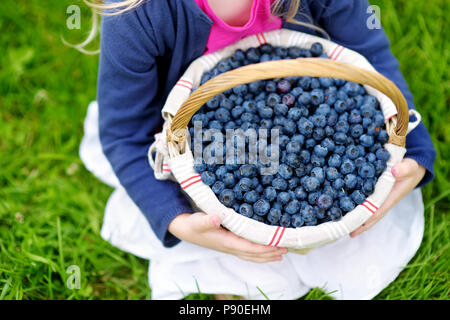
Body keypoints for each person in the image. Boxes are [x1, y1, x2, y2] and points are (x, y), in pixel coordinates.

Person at [79, 0, 436, 299]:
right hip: (192, 144)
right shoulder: (136, 14)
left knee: (361, 245)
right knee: (214, 253)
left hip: (300, 102)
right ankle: (228, 275)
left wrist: (413, 146)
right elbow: (123, 136)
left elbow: (371, 59)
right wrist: (179, 222)